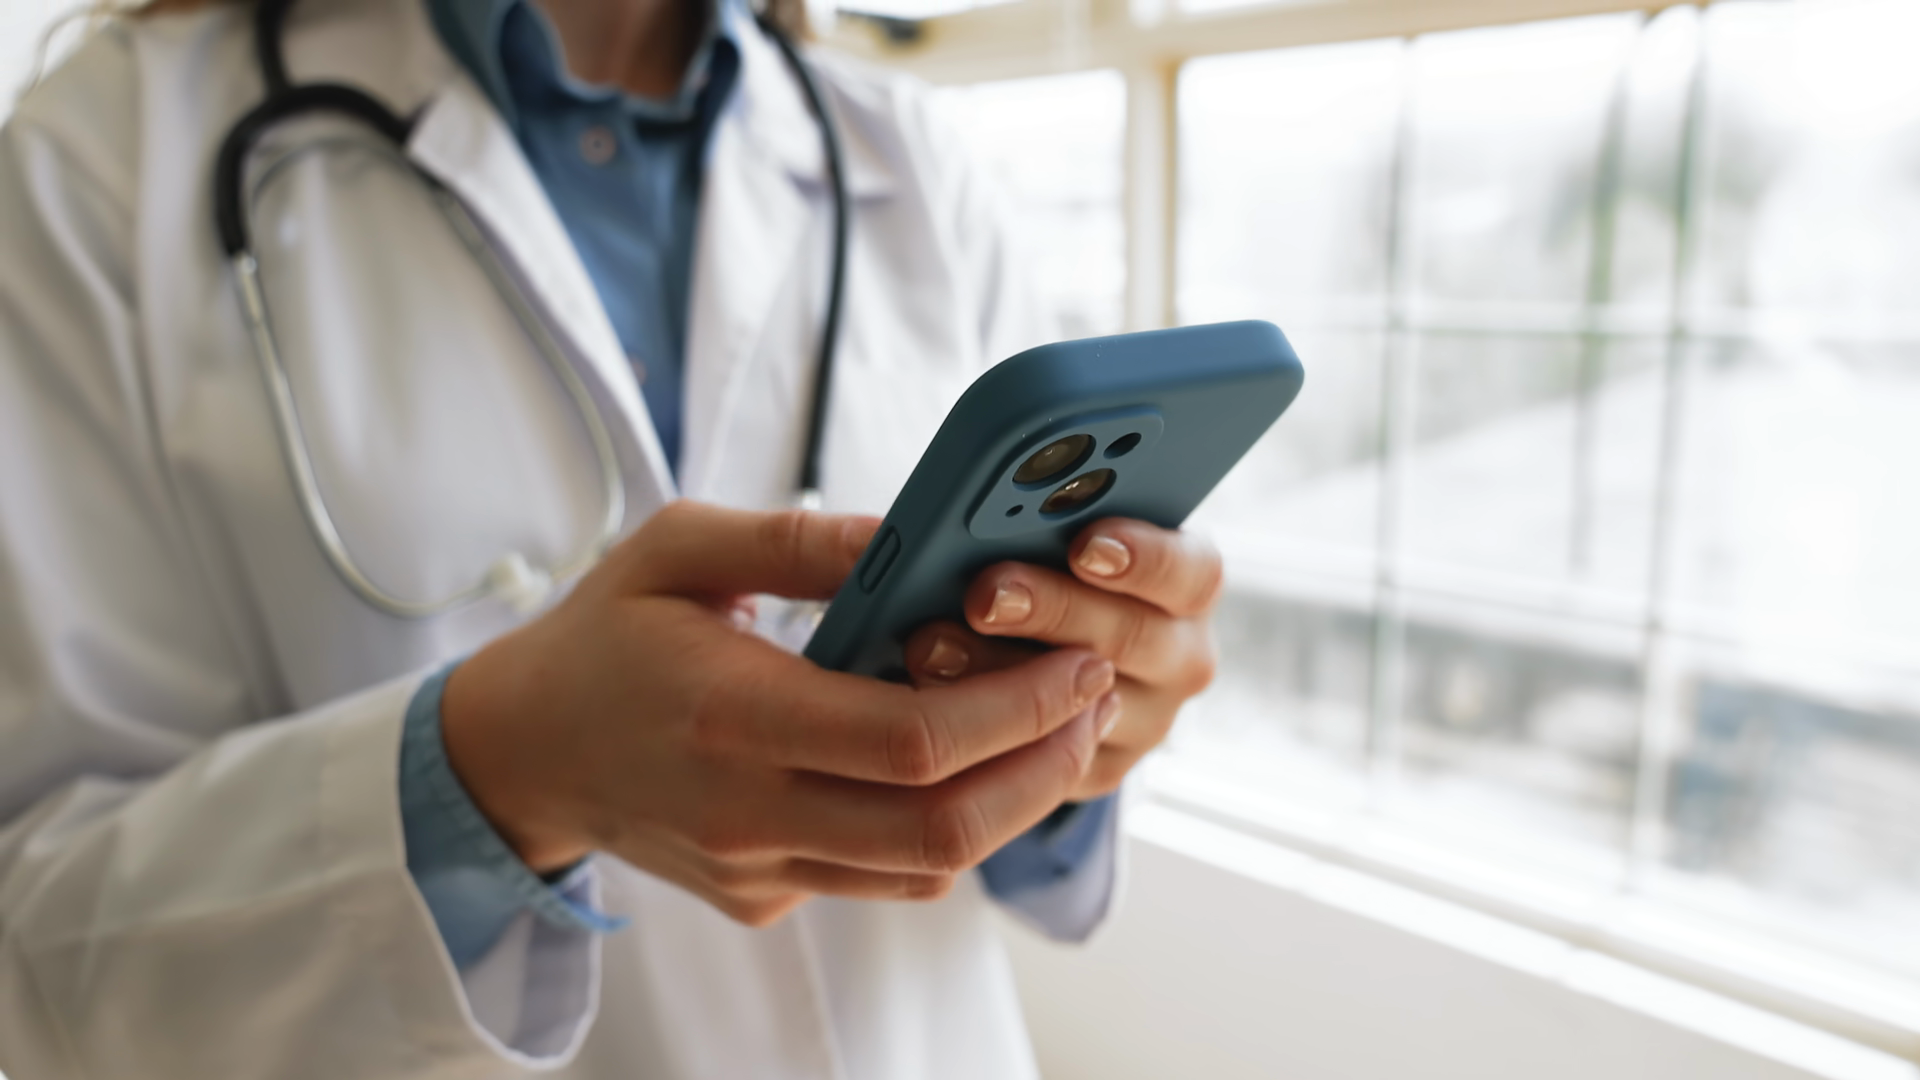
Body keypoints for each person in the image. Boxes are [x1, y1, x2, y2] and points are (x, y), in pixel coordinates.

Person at [0, 0, 1223, 1075]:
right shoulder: (92, 167)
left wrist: (1073, 725)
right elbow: (38, 929)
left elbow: (1020, 820)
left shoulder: (908, 152)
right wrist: (501, 771)